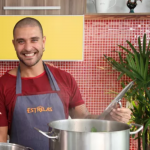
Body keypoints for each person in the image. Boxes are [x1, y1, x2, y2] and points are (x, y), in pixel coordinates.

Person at [0, 17, 131, 150]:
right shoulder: (3, 85)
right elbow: (1, 139)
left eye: (34, 40)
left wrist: (110, 118)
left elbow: (84, 119)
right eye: (21, 41)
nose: (28, 48)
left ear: (43, 42)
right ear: (14, 44)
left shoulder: (65, 79)